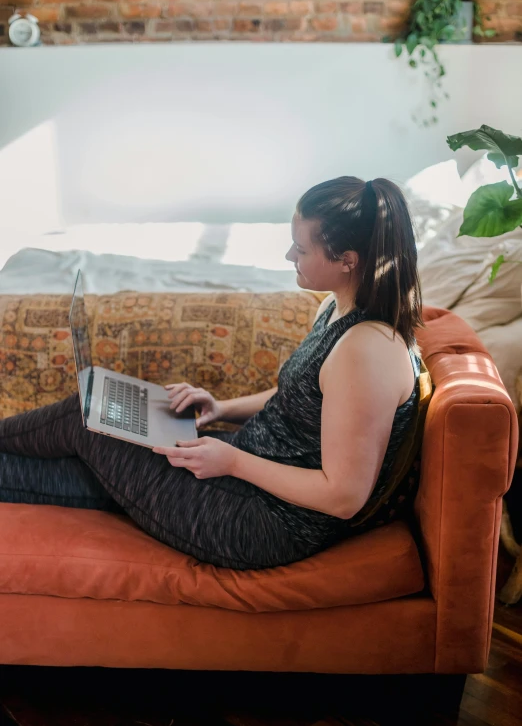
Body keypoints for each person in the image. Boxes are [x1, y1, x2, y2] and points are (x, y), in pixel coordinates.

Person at [0, 176, 424, 571]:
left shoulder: (367, 351)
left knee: (86, 413)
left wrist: (234, 462)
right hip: (249, 471)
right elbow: (300, 399)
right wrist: (220, 407)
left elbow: (344, 496)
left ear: (347, 261)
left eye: (301, 248)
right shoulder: (338, 309)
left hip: (263, 523)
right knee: (92, 448)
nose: (288, 256)